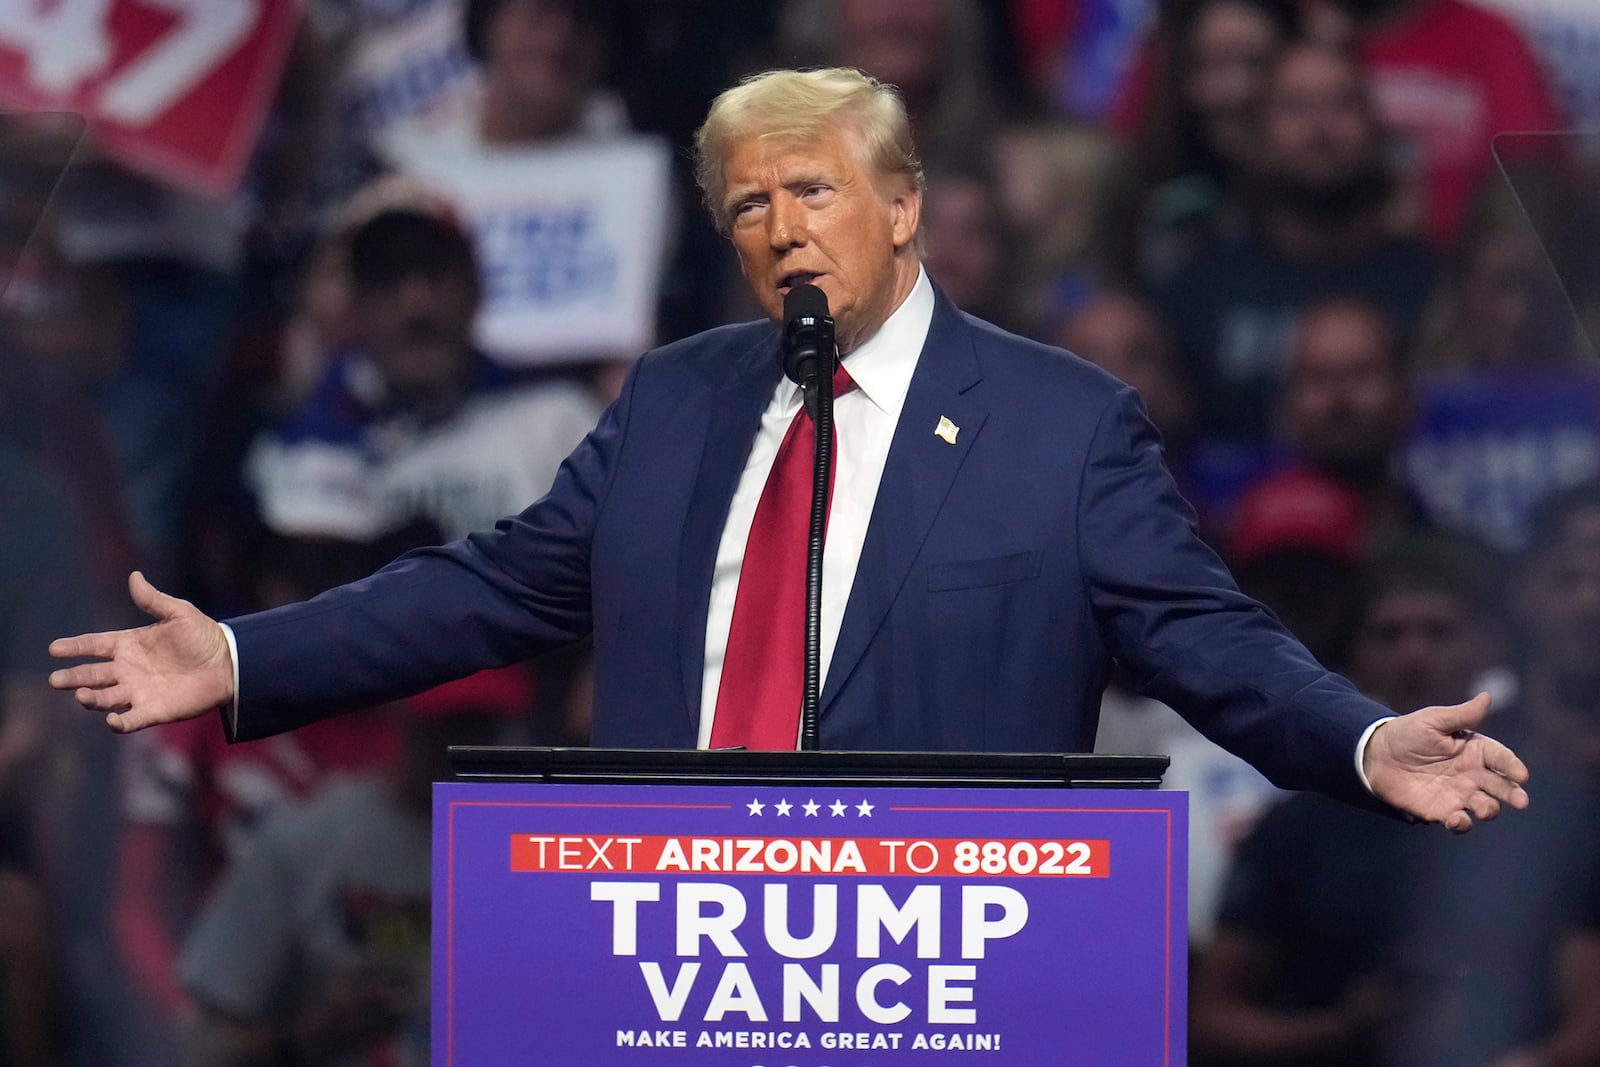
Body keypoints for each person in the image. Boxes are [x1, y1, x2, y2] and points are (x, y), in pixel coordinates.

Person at [50, 67, 1527, 834]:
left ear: (904, 207)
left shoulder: (1062, 425)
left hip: (943, 972)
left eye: (813, 190)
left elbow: (1210, 643)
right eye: (748, 209)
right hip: (673, 953)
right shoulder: (677, 400)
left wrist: (1358, 735)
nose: (781, 229)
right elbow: (490, 588)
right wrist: (244, 657)